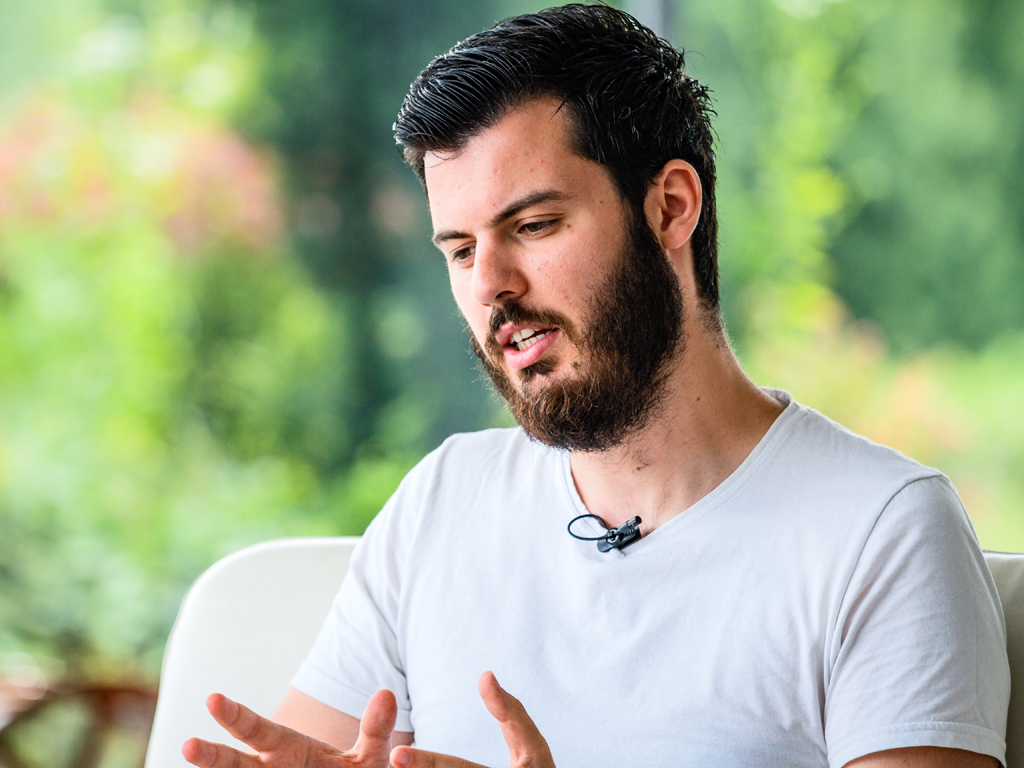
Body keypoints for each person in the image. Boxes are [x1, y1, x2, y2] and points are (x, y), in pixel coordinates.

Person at [181, 5, 1010, 768]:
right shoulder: (442, 503)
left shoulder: (882, 532)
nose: (490, 286)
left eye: (533, 225)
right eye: (461, 250)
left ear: (671, 207)